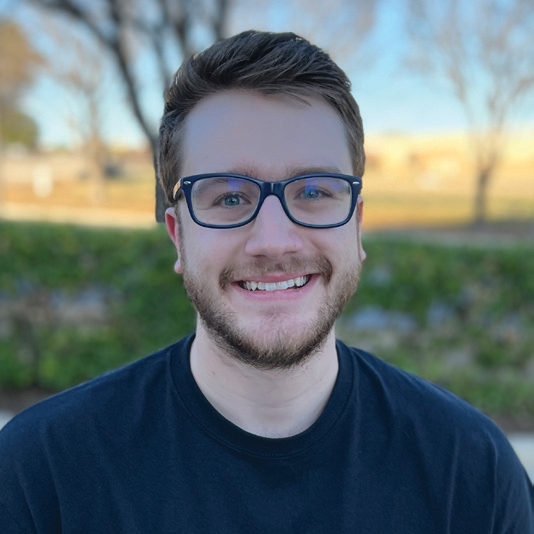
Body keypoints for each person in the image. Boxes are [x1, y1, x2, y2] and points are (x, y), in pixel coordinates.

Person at [0, 30, 532, 533]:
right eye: (230, 197)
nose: (274, 241)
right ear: (178, 235)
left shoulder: (472, 473)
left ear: (357, 225)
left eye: (314, 191)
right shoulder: (41, 474)